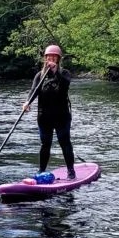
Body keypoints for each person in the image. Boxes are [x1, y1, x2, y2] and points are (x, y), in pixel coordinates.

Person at [23, 44, 76, 179]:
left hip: (61, 116)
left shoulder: (64, 73)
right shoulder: (40, 75)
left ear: (58, 59)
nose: (51, 59)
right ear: (45, 58)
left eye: (54, 57)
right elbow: (33, 91)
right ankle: (41, 170)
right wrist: (28, 102)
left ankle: (71, 171)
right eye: (49, 57)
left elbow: (65, 85)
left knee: (65, 142)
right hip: (44, 116)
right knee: (45, 144)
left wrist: (55, 71)